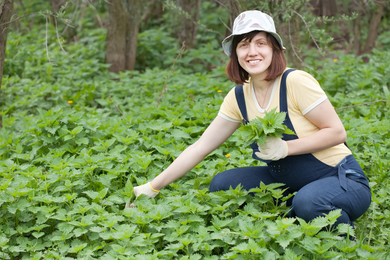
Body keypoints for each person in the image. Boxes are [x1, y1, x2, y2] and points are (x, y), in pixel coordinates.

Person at [126, 10, 371, 227]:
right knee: (223, 185)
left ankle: (335, 231)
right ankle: (292, 214)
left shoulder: (295, 82)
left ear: (275, 50)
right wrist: (153, 187)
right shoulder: (239, 97)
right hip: (287, 180)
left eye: (260, 43)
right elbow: (201, 146)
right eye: (244, 45)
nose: (252, 52)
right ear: (235, 54)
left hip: (340, 179)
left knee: (309, 203)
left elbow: (337, 132)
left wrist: (286, 147)